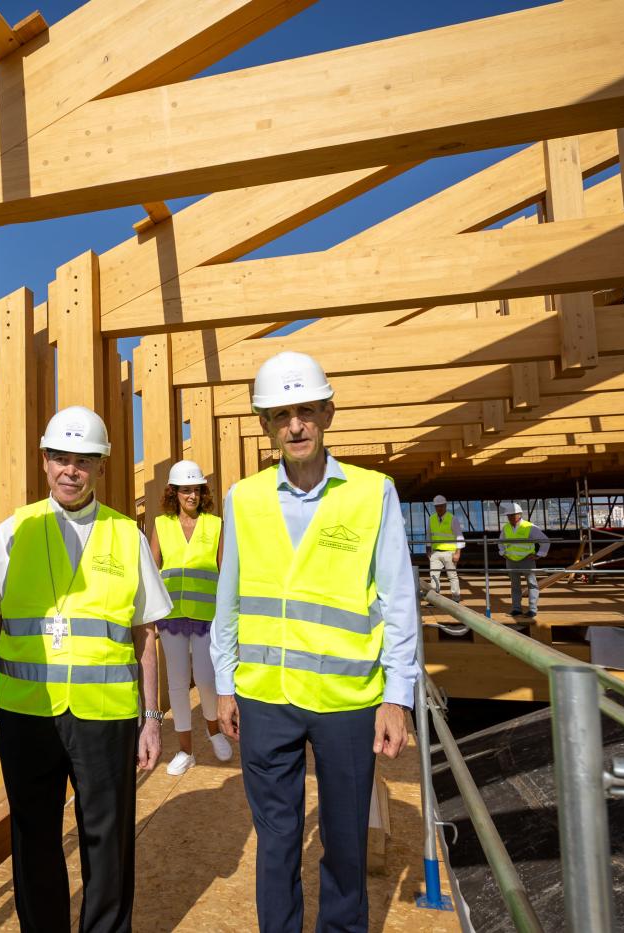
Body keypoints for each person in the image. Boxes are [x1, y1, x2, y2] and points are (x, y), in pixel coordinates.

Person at [211, 351, 420, 933]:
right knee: (277, 841)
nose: (295, 425)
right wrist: (225, 684)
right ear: (266, 426)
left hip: (347, 700)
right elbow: (227, 601)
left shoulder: (372, 493)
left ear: (328, 411)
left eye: (306, 410)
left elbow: (399, 601)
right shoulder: (243, 498)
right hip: (265, 698)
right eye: (281, 415)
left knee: (346, 840)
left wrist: (395, 697)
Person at [0, 405, 167, 933]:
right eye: (60, 457)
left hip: (105, 716)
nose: (70, 470)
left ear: (101, 466)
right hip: (25, 715)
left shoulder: (127, 535)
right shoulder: (14, 530)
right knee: (33, 840)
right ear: (43, 460)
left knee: (107, 843)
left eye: (83, 460)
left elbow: (145, 634)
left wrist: (152, 717)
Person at [148, 459, 233, 776]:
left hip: (206, 618)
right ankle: (186, 751)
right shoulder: (161, 525)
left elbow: (225, 573)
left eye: (196, 490)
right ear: (174, 492)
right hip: (171, 618)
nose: (192, 496)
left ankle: (213, 731)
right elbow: (153, 570)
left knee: (208, 681)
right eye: (186, 490)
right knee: (178, 685)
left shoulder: (215, 525)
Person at [499, 502, 551, 618]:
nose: (510, 517)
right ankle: (516, 609)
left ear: (519, 514)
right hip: (511, 560)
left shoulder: (529, 527)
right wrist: (503, 553)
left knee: (532, 584)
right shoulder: (506, 528)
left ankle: (532, 609)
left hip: (526, 560)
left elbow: (545, 540)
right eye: (508, 515)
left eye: (512, 515)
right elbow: (501, 542)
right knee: (515, 586)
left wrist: (539, 555)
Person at [426, 493, 465, 602]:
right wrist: (428, 549)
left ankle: (456, 598)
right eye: (437, 506)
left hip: (450, 552)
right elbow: (428, 535)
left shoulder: (452, 519)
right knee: (433, 576)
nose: (439, 508)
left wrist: (458, 553)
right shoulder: (431, 519)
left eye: (441, 506)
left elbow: (459, 536)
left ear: (445, 506)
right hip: (435, 553)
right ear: (435, 507)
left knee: (452, 576)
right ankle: (435, 600)